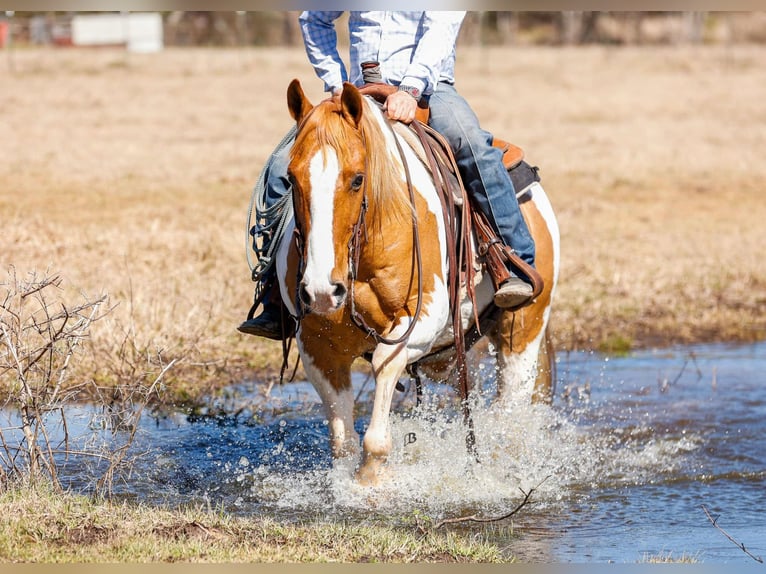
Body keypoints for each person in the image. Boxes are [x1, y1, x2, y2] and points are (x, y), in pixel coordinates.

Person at [239, 11, 536, 339]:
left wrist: (410, 89)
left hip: (428, 91)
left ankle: (514, 261)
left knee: (472, 145)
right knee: (284, 165)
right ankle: (274, 297)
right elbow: (314, 17)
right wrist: (336, 83)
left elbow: (442, 24)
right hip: (355, 97)